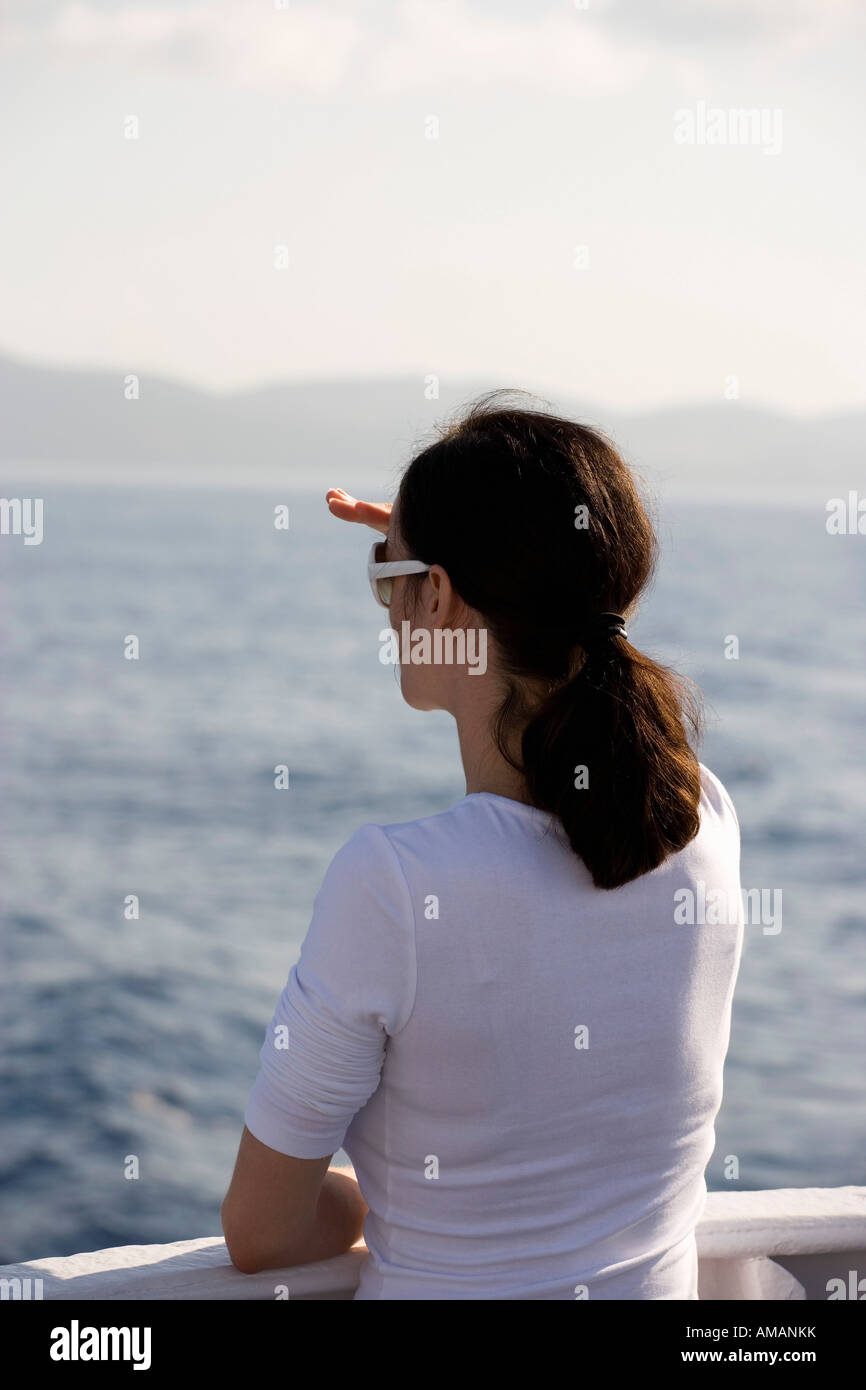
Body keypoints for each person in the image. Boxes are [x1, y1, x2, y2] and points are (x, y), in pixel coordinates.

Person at [221, 392, 745, 1300]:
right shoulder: (706, 824)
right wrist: (453, 568)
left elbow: (261, 1235)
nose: (386, 606)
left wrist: (366, 1203)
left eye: (396, 582)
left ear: (437, 592)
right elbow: (589, 631)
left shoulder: (391, 887)